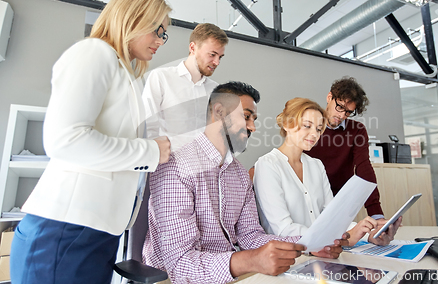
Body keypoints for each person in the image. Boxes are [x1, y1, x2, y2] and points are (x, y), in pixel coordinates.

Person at [10, 0, 172, 284]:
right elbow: (66, 140)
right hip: (66, 229)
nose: (161, 40)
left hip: (97, 231)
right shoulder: (94, 53)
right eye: (158, 29)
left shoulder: (129, 75)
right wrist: (150, 152)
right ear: (133, 18)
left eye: (165, 33)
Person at [143, 83, 349, 284]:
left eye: (254, 119)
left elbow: (251, 236)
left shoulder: (239, 174)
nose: (253, 127)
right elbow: (180, 265)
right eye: (246, 116)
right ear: (219, 112)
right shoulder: (176, 166)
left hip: (231, 273)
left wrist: (308, 245)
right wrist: (249, 260)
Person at [253, 98, 397, 246]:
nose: (314, 134)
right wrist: (344, 236)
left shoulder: (316, 165)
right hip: (288, 256)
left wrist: (367, 233)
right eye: (307, 126)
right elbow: (283, 229)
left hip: (322, 251)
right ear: (287, 124)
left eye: (318, 129)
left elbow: (332, 216)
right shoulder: (267, 165)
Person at [306, 77, 385, 219]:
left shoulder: (357, 130)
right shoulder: (309, 125)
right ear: (329, 97)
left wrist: (376, 214)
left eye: (348, 112)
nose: (342, 115)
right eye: (340, 107)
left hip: (339, 202)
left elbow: (364, 168)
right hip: (308, 200)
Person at [142, 23, 228, 152]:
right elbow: (148, 126)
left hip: (205, 166)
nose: (217, 62)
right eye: (212, 55)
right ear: (193, 48)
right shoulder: (161, 78)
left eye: (220, 57)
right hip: (168, 164)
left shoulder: (216, 90)